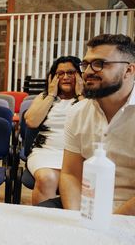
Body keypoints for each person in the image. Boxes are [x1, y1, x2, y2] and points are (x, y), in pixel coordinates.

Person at [59, 34, 135, 215]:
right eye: (85, 64)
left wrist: (111, 223)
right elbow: (70, 174)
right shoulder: (77, 112)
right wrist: (75, 218)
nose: (87, 72)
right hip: (87, 206)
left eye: (100, 63)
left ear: (129, 71)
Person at [24, 56, 83, 205]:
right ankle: (43, 225)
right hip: (45, 152)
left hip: (76, 154)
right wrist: (51, 95)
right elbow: (31, 122)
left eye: (71, 73)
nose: (65, 77)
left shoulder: (90, 99)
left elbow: (93, 124)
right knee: (46, 179)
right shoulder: (44, 97)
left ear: (80, 74)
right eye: (60, 74)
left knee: (72, 183)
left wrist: (81, 95)